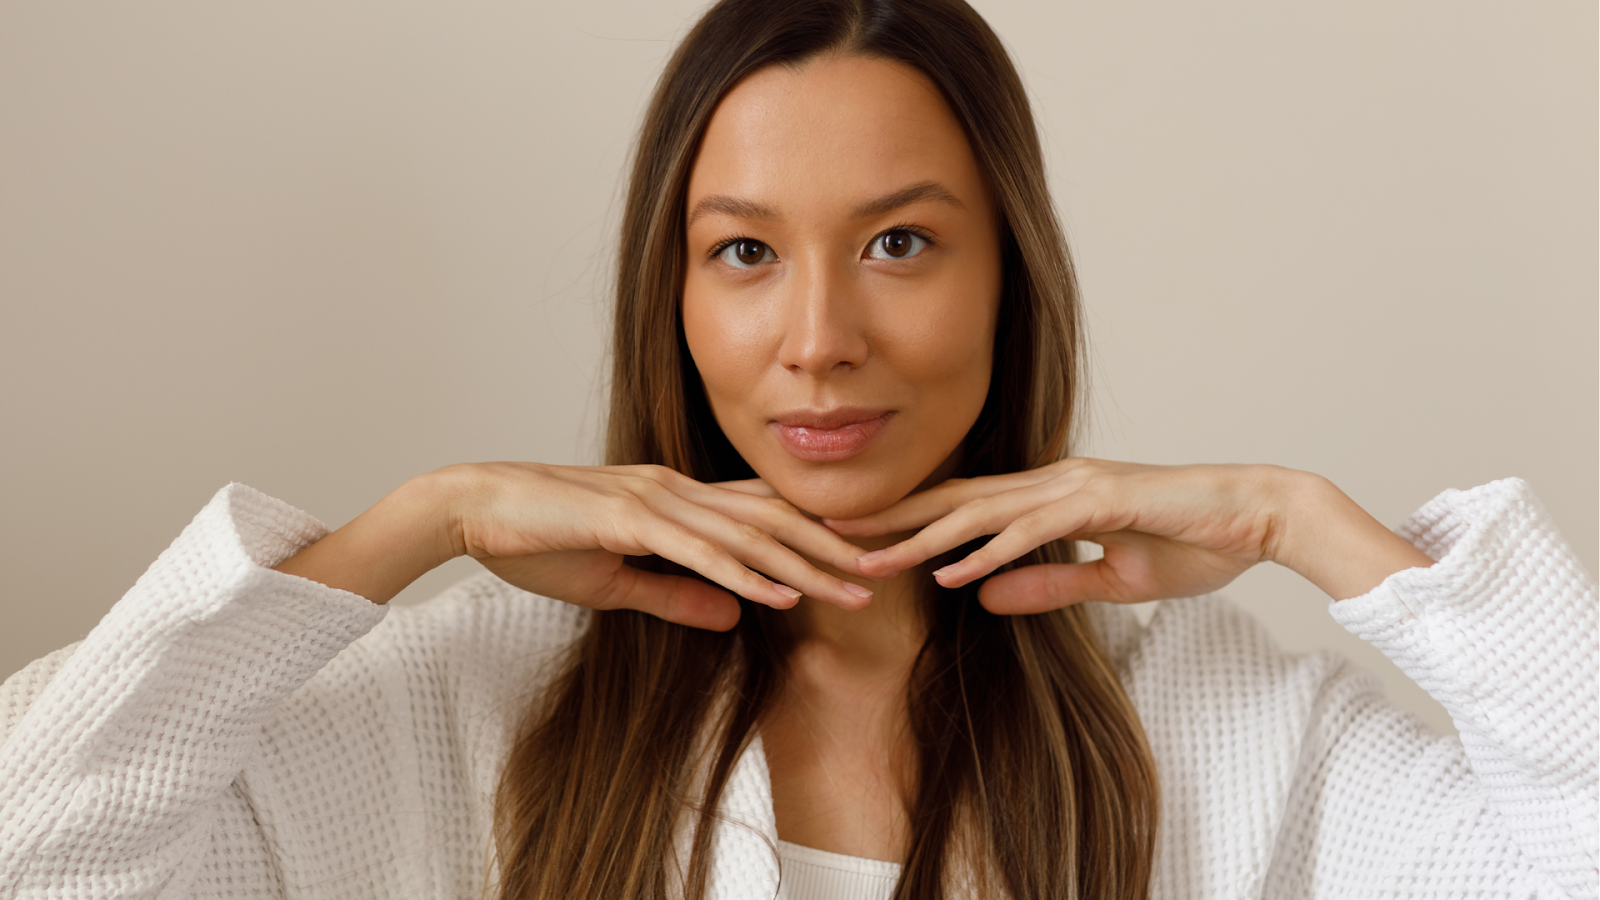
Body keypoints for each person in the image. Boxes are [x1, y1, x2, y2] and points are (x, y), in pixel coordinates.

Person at [0, 0, 1594, 897]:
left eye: (898, 244)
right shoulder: (469, 698)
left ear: (1009, 274)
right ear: (672, 292)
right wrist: (415, 525)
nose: (818, 336)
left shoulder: (1211, 720)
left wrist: (1296, 521)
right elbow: (41, 850)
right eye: (746, 253)